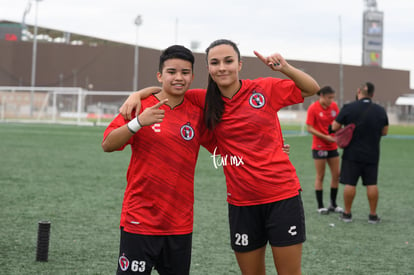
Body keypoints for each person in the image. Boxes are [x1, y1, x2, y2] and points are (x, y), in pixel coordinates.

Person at [120, 39, 320, 275]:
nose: (222, 67)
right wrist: (137, 94)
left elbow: (311, 89)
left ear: (239, 64)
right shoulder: (202, 99)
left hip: (281, 196)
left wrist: (284, 68)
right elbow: (170, 88)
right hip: (241, 203)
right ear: (209, 69)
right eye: (215, 63)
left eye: (228, 61)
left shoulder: (264, 89)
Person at [102, 45, 213, 275]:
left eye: (185, 72)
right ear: (160, 76)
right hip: (140, 219)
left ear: (192, 76)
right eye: (172, 72)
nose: (179, 77)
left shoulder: (197, 112)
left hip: (179, 224)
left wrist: (266, 152)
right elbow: (108, 144)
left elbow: (221, 151)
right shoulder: (139, 106)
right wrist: (138, 122)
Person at [331, 82, 388, 224]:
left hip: (352, 153)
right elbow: (385, 132)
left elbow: (334, 127)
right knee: (372, 184)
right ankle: (373, 216)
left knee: (350, 183)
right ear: (373, 94)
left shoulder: (349, 108)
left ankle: (347, 214)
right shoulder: (381, 110)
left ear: (358, 91)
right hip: (372, 153)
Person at [306, 86, 343, 215]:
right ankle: (320, 206)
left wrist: (339, 134)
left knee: (336, 175)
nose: (332, 100)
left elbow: (338, 124)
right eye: (329, 97)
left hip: (332, 146)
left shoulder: (334, 107)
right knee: (320, 176)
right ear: (321, 95)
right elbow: (309, 128)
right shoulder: (313, 108)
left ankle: (333, 204)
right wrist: (325, 137)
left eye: (333, 97)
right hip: (319, 146)